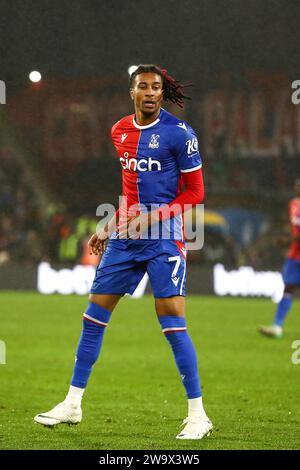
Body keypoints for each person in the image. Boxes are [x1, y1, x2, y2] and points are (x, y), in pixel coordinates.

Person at [34, 64, 212, 440]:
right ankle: (72, 404)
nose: (150, 93)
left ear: (163, 94)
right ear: (131, 92)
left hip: (165, 236)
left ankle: (198, 415)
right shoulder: (120, 131)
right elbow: (132, 194)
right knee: (93, 316)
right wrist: (109, 225)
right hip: (127, 235)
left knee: (171, 319)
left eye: (156, 87)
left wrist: (151, 221)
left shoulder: (180, 134)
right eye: (142, 87)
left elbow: (195, 194)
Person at [259, 177, 300, 338]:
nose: (298, 187)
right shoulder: (294, 204)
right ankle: (277, 326)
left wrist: (287, 240)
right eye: (297, 185)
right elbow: (293, 229)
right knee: (288, 288)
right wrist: (287, 237)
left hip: (295, 248)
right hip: (295, 255)